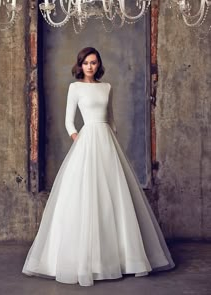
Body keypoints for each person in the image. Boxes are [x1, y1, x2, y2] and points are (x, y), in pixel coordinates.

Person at [22, 47, 175, 287]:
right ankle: (84, 261)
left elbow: (111, 117)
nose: (90, 66)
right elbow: (68, 120)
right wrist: (77, 139)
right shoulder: (75, 88)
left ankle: (125, 259)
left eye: (94, 62)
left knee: (114, 197)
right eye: (86, 63)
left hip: (107, 142)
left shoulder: (107, 88)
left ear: (99, 64)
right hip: (86, 141)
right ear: (80, 65)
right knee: (83, 197)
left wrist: (112, 139)